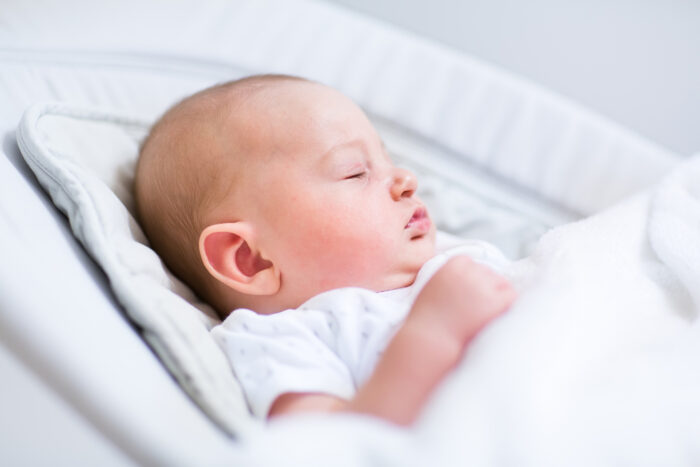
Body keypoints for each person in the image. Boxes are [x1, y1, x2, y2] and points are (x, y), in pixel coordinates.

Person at [134, 74, 516, 426]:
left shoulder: (444, 251)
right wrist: (433, 333)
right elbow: (335, 446)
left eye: (388, 159)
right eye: (355, 172)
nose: (406, 180)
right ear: (252, 259)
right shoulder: (280, 339)